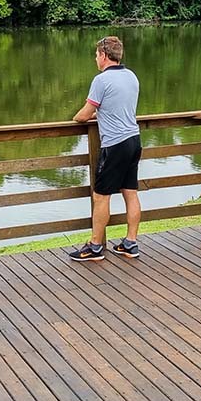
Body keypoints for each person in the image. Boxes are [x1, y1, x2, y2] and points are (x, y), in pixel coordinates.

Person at [69, 36, 141, 261]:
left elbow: (85, 113)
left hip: (115, 144)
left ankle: (95, 247)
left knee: (101, 196)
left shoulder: (101, 80)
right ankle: (131, 243)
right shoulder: (131, 76)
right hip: (134, 140)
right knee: (130, 193)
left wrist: (75, 118)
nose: (95, 59)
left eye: (96, 54)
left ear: (103, 55)